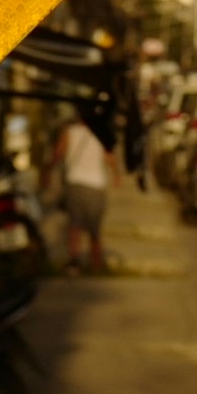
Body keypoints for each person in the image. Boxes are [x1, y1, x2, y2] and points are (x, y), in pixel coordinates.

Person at [58, 108, 115, 275]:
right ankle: (96, 265)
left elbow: (58, 152)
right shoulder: (101, 134)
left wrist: (47, 172)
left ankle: (74, 263)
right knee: (95, 230)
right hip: (96, 186)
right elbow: (109, 157)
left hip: (75, 182)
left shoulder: (70, 132)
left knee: (75, 226)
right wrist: (117, 175)